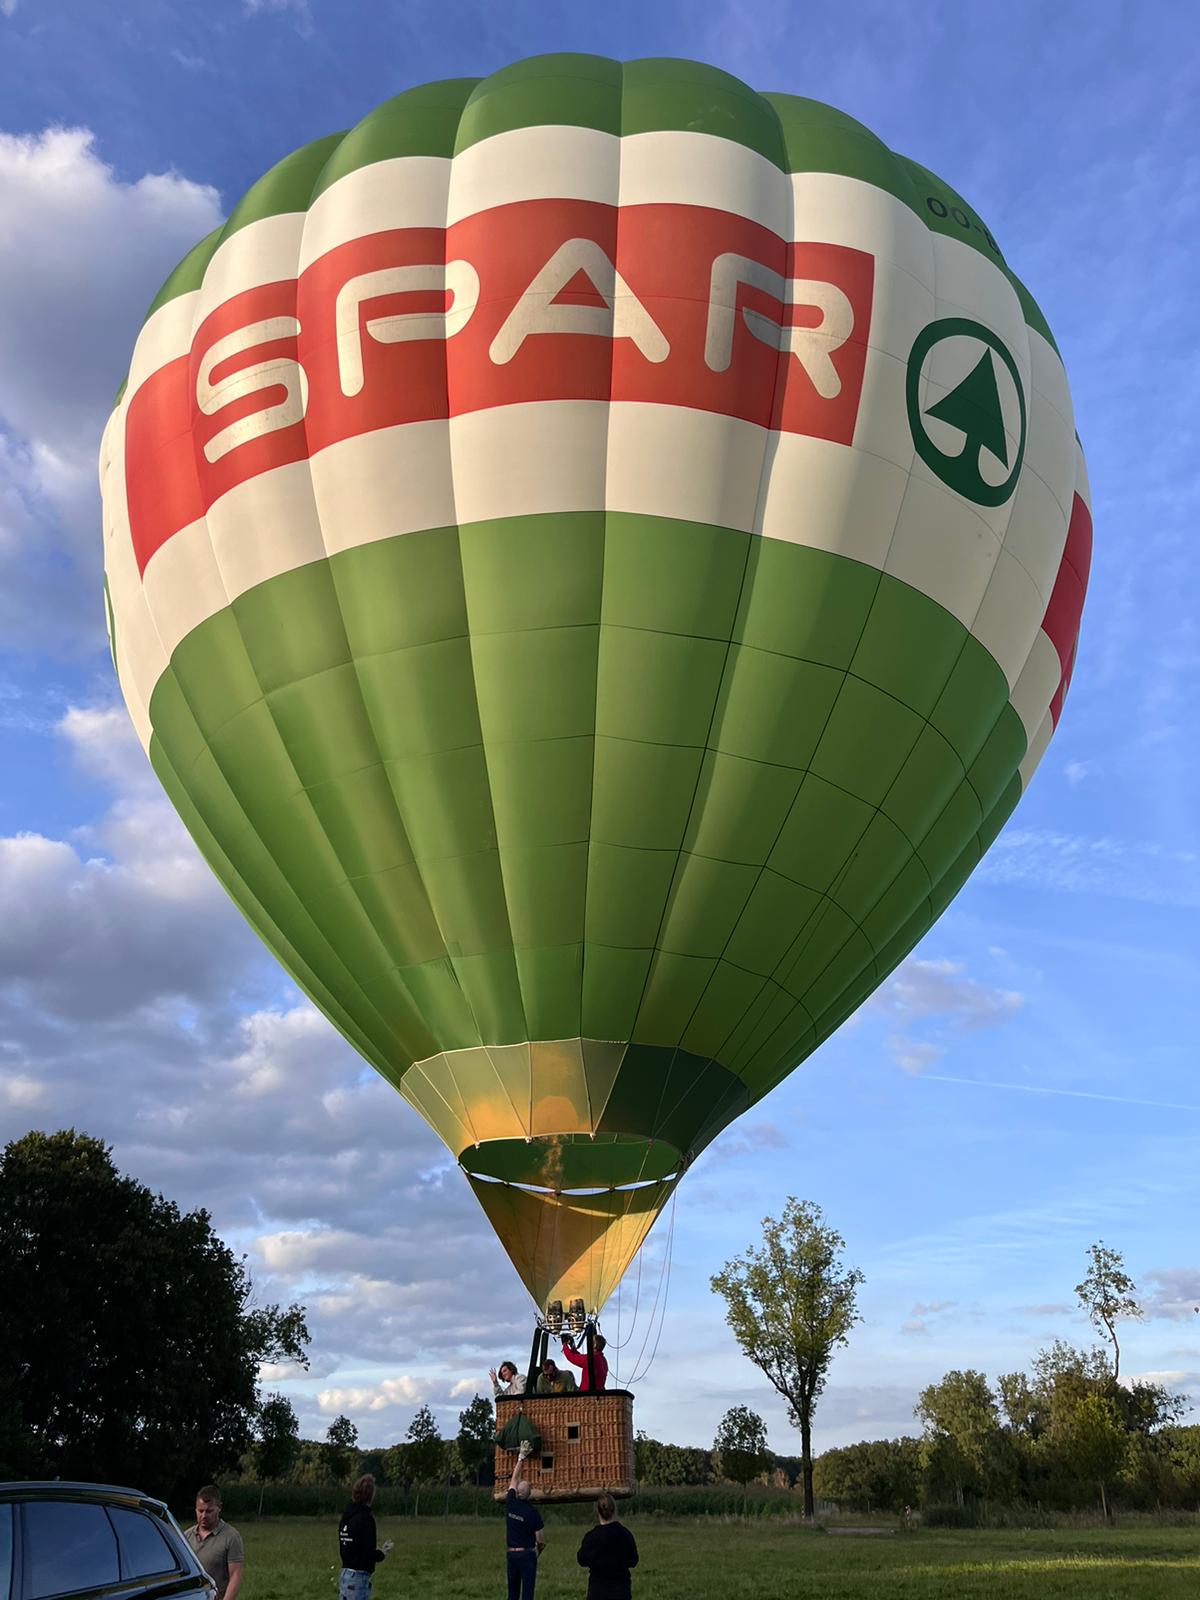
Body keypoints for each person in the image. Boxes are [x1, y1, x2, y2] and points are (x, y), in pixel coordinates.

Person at [337, 1474, 393, 1600]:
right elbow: (367, 1552)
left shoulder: (346, 1517)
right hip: (358, 1578)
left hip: (345, 1574)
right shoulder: (366, 1518)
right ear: (370, 1495)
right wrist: (382, 1553)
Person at [184, 1486, 244, 1600]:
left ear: (219, 1507)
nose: (204, 1516)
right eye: (200, 1511)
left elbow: (235, 1575)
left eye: (209, 1511)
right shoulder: (186, 1537)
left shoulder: (231, 1537)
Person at [576, 1494, 638, 1600]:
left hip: (597, 1591)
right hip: (621, 1590)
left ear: (597, 1511)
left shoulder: (591, 1537)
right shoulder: (625, 1534)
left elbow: (581, 1559)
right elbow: (633, 1560)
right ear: (614, 1510)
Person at [505, 1442, 544, 1600]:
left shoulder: (510, 1502)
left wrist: (521, 1457)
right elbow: (540, 1539)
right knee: (528, 1594)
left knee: (512, 1594)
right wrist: (537, 1551)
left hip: (511, 1555)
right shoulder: (533, 1513)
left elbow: (514, 1479)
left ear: (517, 1493)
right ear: (529, 1495)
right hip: (528, 1555)